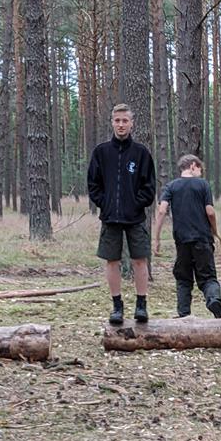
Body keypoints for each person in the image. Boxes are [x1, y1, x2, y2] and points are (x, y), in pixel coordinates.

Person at [87, 103, 156, 325]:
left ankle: (141, 305)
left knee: (140, 260)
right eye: (117, 121)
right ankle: (117, 306)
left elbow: (149, 187)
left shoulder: (141, 153)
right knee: (112, 261)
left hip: (135, 217)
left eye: (125, 121)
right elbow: (93, 184)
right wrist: (105, 203)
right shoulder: (101, 152)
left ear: (132, 123)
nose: (121, 125)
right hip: (110, 217)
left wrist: (136, 204)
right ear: (112, 123)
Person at [154, 154, 221, 319]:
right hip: (202, 238)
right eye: (200, 170)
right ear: (193, 165)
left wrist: (157, 238)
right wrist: (215, 231)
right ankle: (213, 300)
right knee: (208, 277)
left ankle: (183, 314)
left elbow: (162, 210)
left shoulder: (171, 186)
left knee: (183, 278)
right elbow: (210, 212)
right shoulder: (203, 185)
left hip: (182, 240)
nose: (201, 173)